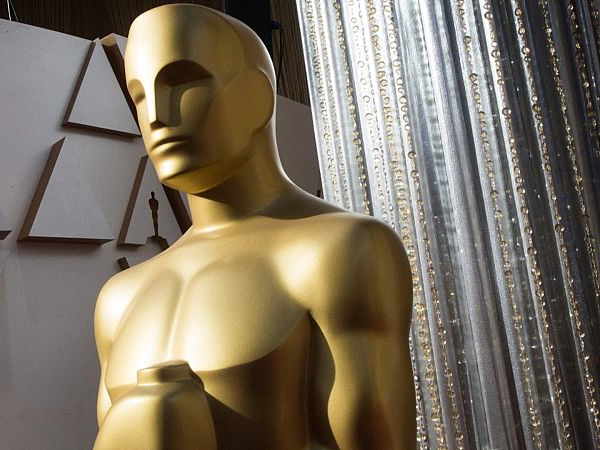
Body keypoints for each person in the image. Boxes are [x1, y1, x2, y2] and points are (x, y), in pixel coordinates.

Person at [93, 5, 415, 449]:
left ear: (258, 94)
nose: (157, 115)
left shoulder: (339, 251)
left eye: (183, 80)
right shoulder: (118, 299)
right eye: (140, 95)